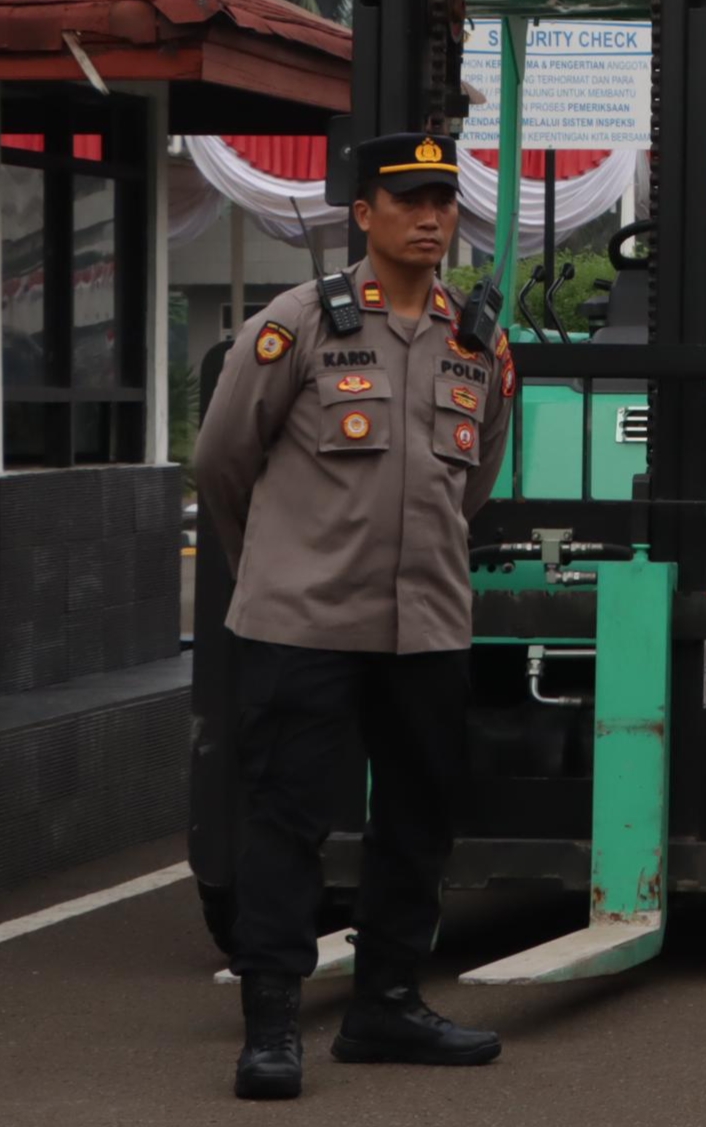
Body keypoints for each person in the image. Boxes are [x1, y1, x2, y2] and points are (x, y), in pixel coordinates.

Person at [194, 133, 512, 1101]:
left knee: (418, 818)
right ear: (362, 212)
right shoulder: (296, 325)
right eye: (407, 198)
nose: (430, 216)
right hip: (303, 622)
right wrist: (283, 568)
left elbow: (476, 479)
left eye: (443, 200)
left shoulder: (479, 340)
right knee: (286, 820)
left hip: (426, 626)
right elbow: (221, 462)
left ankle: (384, 1003)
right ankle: (275, 1027)